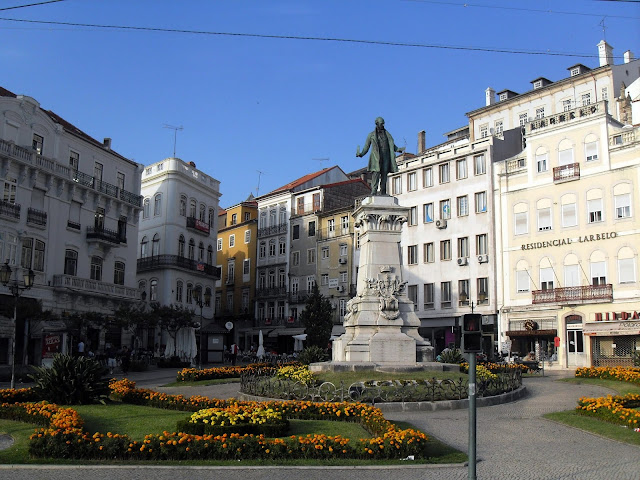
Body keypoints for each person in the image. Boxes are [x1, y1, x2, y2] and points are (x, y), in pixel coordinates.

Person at [356, 117, 405, 195]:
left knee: (384, 174)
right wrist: (361, 154)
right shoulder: (371, 135)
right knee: (376, 173)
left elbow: (391, 145)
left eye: (383, 123)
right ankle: (374, 191)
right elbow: (366, 147)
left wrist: (398, 149)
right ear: (377, 124)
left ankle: (383, 191)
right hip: (376, 157)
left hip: (386, 156)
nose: (382, 125)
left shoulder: (387, 134)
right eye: (381, 123)